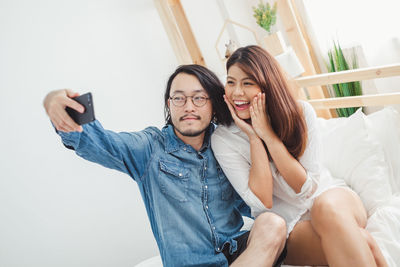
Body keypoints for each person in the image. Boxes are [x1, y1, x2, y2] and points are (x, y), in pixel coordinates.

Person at [43, 64, 288, 267]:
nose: (189, 106)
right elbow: (97, 142)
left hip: (239, 254)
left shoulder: (227, 144)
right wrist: (54, 101)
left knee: (273, 224)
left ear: (213, 103)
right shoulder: (149, 148)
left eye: (199, 98)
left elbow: (256, 201)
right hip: (194, 263)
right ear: (169, 104)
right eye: (179, 98)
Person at [211, 45, 388, 267]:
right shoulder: (224, 139)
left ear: (267, 84)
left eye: (247, 83)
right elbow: (262, 200)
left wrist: (267, 135)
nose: (237, 92)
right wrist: (254, 139)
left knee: (325, 207)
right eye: (230, 82)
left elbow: (307, 188)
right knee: (360, 241)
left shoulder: (301, 112)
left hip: (333, 198)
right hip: (289, 225)